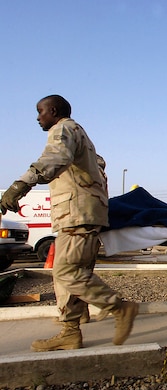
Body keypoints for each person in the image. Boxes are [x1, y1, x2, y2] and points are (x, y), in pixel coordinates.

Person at [0, 95, 138, 351]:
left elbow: (53, 160)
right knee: (73, 273)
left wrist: (19, 186)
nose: (38, 117)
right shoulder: (81, 135)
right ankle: (71, 330)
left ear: (53, 111)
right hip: (84, 213)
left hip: (76, 214)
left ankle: (119, 308)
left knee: (65, 272)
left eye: (40, 111)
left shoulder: (62, 129)